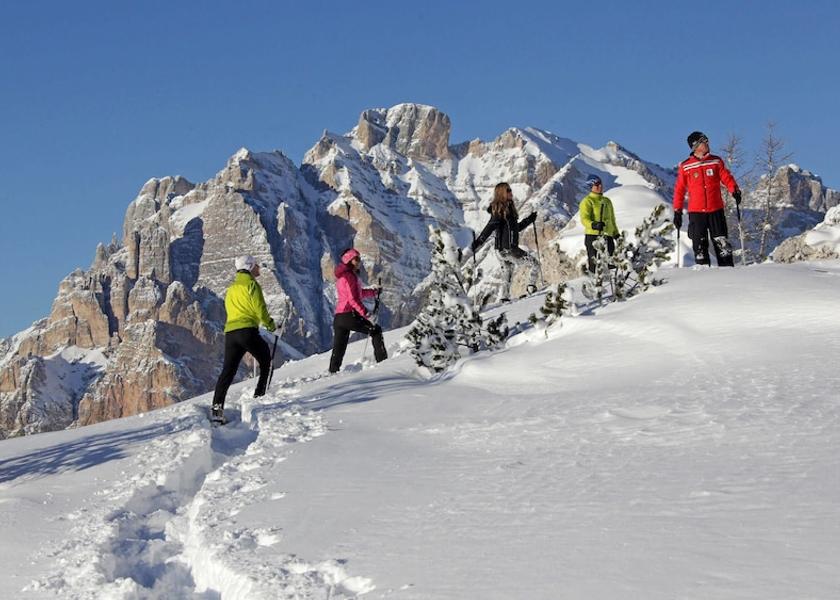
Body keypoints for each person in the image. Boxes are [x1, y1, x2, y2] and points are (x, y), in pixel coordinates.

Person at [211, 255, 276, 423]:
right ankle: (259, 397)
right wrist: (271, 325)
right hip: (247, 331)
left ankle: (216, 411)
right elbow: (260, 309)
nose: (259, 269)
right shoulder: (252, 285)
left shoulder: (231, 289)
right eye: (256, 266)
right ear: (250, 267)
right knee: (266, 362)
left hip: (231, 333)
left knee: (227, 372)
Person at [673, 131, 742, 267]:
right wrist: (677, 211)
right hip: (696, 213)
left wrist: (734, 190)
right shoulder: (686, 166)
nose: (707, 143)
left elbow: (726, 177)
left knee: (722, 246)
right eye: (704, 141)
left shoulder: (715, 161)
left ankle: (728, 273)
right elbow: (679, 190)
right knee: (700, 247)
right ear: (695, 146)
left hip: (716, 210)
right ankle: (703, 278)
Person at [466, 182, 539, 302]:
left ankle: (504, 297)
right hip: (509, 249)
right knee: (534, 264)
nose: (511, 192)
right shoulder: (499, 211)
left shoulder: (508, 209)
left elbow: (516, 228)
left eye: (510, 190)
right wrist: (479, 242)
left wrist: (529, 220)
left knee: (508, 272)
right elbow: (490, 227)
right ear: (501, 193)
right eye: (508, 190)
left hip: (501, 251)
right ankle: (531, 288)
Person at [329, 248, 387, 373]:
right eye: (357, 259)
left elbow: (358, 293)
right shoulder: (350, 276)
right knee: (375, 330)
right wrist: (367, 314)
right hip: (348, 315)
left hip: (339, 317)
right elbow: (354, 300)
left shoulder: (343, 276)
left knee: (339, 348)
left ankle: (332, 373)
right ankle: (384, 365)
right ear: (350, 260)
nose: (359, 261)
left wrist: (374, 291)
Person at [579, 174, 620, 273]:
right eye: (597, 185)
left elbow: (612, 219)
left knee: (611, 262)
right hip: (593, 236)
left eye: (600, 183)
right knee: (595, 264)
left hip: (607, 236)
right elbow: (584, 219)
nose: (600, 186)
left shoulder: (607, 201)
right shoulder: (587, 201)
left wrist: (616, 233)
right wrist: (594, 224)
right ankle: (595, 284)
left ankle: (612, 286)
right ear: (591, 186)